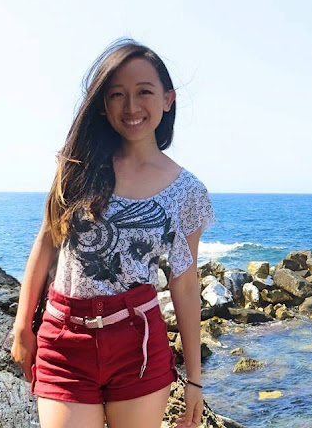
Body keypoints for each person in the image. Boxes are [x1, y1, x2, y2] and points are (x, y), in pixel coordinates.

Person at [11, 37, 217, 428]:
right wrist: (23, 325)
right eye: (117, 95)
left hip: (137, 344)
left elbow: (185, 284)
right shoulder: (76, 166)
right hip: (63, 338)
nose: (131, 107)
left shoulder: (188, 191)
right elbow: (45, 246)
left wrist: (194, 380)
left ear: (168, 99)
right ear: (103, 106)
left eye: (144, 92)